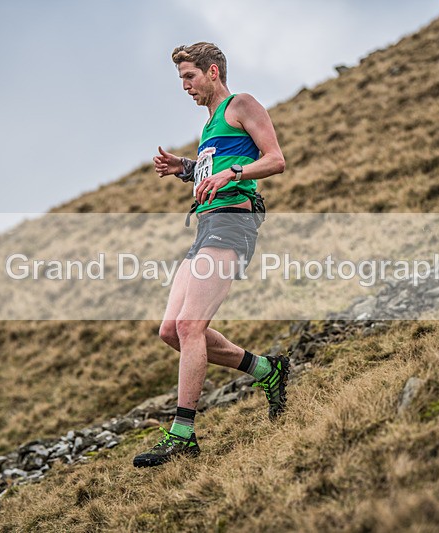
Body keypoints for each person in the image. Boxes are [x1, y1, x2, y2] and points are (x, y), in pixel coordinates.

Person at [133, 42, 288, 468]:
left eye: (190, 77)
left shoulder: (243, 104)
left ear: (213, 72)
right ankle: (266, 371)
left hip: (233, 224)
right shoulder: (210, 125)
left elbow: (275, 160)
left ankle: (182, 434)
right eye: (181, 78)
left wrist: (232, 173)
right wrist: (185, 167)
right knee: (171, 331)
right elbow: (212, 172)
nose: (184, 86)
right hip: (206, 227)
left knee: (190, 326)